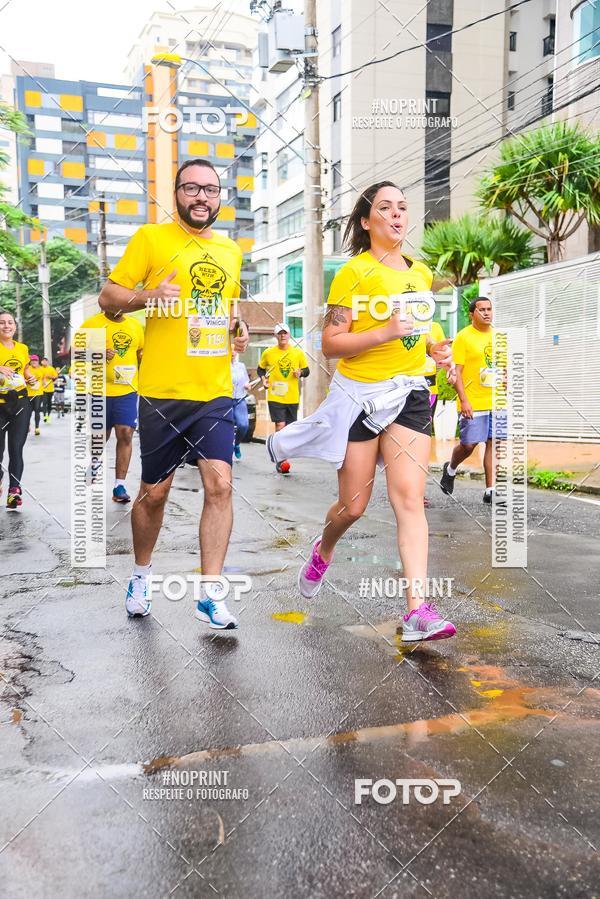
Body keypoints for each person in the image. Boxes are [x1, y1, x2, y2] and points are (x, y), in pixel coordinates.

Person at [268, 181, 456, 642]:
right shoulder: (352, 272)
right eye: (385, 208)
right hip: (360, 397)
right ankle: (324, 546)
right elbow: (332, 344)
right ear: (366, 221)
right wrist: (385, 333)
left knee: (409, 499)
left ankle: (418, 611)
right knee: (353, 506)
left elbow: (420, 328)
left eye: (402, 208)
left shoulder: (420, 273)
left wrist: (436, 348)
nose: (396, 215)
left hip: (410, 393)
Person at [98, 158, 249, 628]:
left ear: (220, 197)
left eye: (210, 189)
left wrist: (236, 330)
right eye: (191, 189)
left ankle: (210, 592)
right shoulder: (151, 239)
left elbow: (225, 309)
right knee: (154, 494)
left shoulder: (230, 250)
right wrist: (147, 296)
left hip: (214, 391)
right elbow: (109, 298)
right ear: (177, 194)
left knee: (220, 485)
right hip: (162, 392)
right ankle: (141, 575)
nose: (201, 197)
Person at [440, 297, 505, 504]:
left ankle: (490, 490)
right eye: (481, 310)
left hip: (496, 400)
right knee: (469, 445)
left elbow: (503, 367)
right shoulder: (463, 338)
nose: (487, 313)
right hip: (473, 400)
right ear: (471, 314)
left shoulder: (499, 337)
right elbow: (456, 371)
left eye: (489, 309)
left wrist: (506, 378)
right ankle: (450, 469)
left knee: (493, 443)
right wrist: (464, 400)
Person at [75, 309, 144, 502]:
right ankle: (95, 463)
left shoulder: (134, 325)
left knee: (125, 433)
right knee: (100, 435)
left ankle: (119, 486)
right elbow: (76, 354)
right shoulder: (92, 324)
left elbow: (141, 353)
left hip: (127, 391)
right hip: (99, 390)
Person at [257, 323, 309, 474]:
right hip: (275, 395)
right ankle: (281, 460)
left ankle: (283, 453)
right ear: (276, 336)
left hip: (292, 396)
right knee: (280, 425)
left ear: (289, 334)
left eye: (285, 333)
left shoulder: (298, 353)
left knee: (289, 428)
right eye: (280, 333)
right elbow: (261, 368)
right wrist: (263, 380)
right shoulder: (268, 353)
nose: (283, 336)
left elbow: (307, 370)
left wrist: (300, 373)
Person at [0, 310, 37, 509]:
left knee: (16, 448)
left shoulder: (22, 348)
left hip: (20, 403)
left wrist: (30, 377)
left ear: (15, 326)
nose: (6, 326)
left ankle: (14, 490)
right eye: (2, 323)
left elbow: (25, 370)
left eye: (10, 322)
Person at [231, 352, 250, 460]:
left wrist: (247, 385)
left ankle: (236, 444)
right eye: (230, 350)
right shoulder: (222, 366)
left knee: (243, 425)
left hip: (240, 398)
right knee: (227, 426)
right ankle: (227, 450)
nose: (232, 353)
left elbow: (246, 380)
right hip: (226, 400)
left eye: (234, 351)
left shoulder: (241, 366)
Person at [27, 354, 44, 435]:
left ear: (38, 361)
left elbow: (44, 380)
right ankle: (27, 425)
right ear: (30, 361)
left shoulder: (41, 370)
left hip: (38, 393)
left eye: (35, 360)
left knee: (37, 410)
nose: (34, 362)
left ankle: (37, 428)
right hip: (28, 394)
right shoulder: (27, 369)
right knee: (28, 412)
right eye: (32, 360)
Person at [39, 356, 58, 422]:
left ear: (47, 362)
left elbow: (55, 377)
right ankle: (45, 416)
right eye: (43, 361)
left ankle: (48, 415)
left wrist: (50, 376)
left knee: (49, 403)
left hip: (50, 389)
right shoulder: (39, 368)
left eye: (45, 361)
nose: (44, 362)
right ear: (41, 362)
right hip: (43, 389)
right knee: (44, 402)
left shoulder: (51, 369)